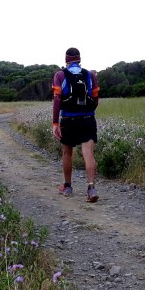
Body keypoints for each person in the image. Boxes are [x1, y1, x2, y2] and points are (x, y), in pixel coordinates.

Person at [52, 47, 100, 202]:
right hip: (87, 119)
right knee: (89, 154)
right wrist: (88, 111)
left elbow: (57, 100)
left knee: (67, 153)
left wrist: (55, 123)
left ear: (66, 60)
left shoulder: (60, 75)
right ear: (79, 59)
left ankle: (67, 186)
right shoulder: (89, 75)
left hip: (68, 120)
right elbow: (95, 98)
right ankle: (91, 188)